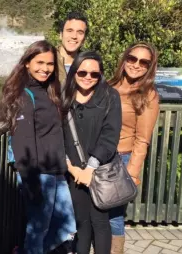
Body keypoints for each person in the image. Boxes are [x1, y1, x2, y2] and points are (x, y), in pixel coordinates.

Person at [0, 40, 76, 254]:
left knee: (67, 227)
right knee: (38, 228)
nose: (45, 69)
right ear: (27, 63)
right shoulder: (24, 94)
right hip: (38, 173)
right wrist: (31, 184)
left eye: (50, 64)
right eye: (39, 62)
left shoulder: (47, 90)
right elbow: (22, 143)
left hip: (55, 169)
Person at [61, 51, 122, 254]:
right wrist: (73, 169)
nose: (88, 77)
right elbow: (56, 135)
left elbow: (110, 135)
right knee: (82, 223)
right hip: (74, 172)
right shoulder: (63, 96)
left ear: (100, 75)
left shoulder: (109, 96)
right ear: (74, 72)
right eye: (82, 72)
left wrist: (90, 168)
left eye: (94, 74)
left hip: (100, 170)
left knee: (100, 223)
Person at [107, 42, 160, 253]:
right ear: (125, 59)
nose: (136, 65)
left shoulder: (148, 95)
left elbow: (142, 139)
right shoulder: (109, 85)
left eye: (143, 62)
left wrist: (132, 173)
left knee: (114, 216)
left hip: (122, 160)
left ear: (149, 67)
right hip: (98, 158)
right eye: (132, 58)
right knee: (95, 214)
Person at [57, 11, 89, 85]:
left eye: (80, 32)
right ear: (61, 35)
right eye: (69, 31)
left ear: (84, 39)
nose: (74, 36)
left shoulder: (89, 64)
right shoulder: (49, 60)